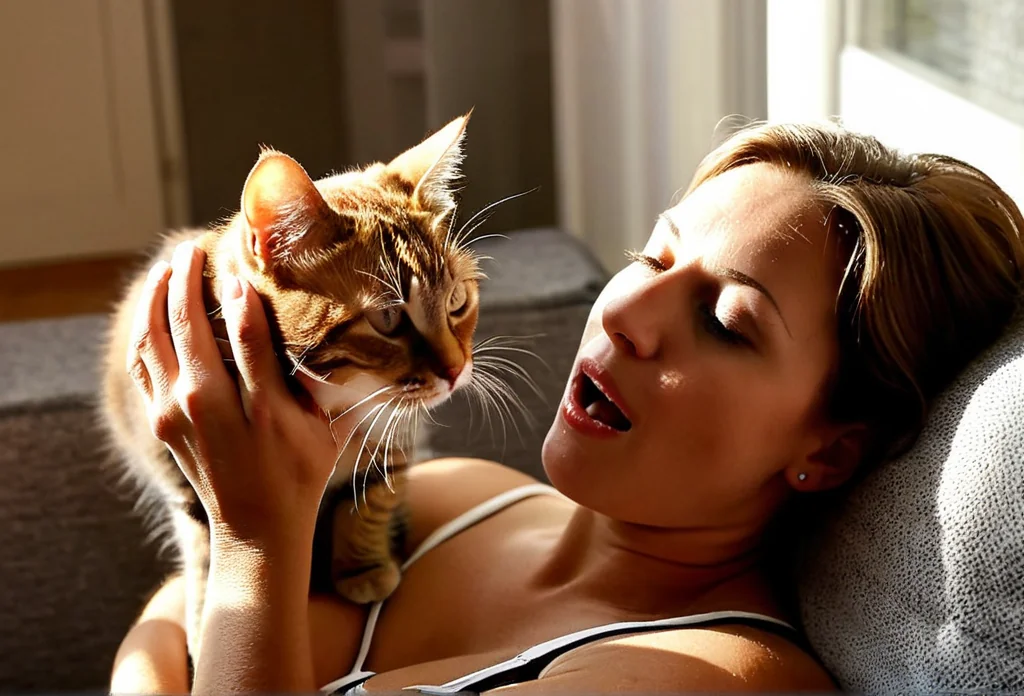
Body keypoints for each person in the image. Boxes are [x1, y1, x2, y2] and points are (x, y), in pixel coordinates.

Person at [109, 122, 1024, 694]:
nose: (624, 314)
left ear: (825, 453)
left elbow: (213, 625)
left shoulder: (706, 678)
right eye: (653, 257)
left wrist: (258, 539)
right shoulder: (458, 496)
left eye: (725, 322)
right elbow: (161, 623)